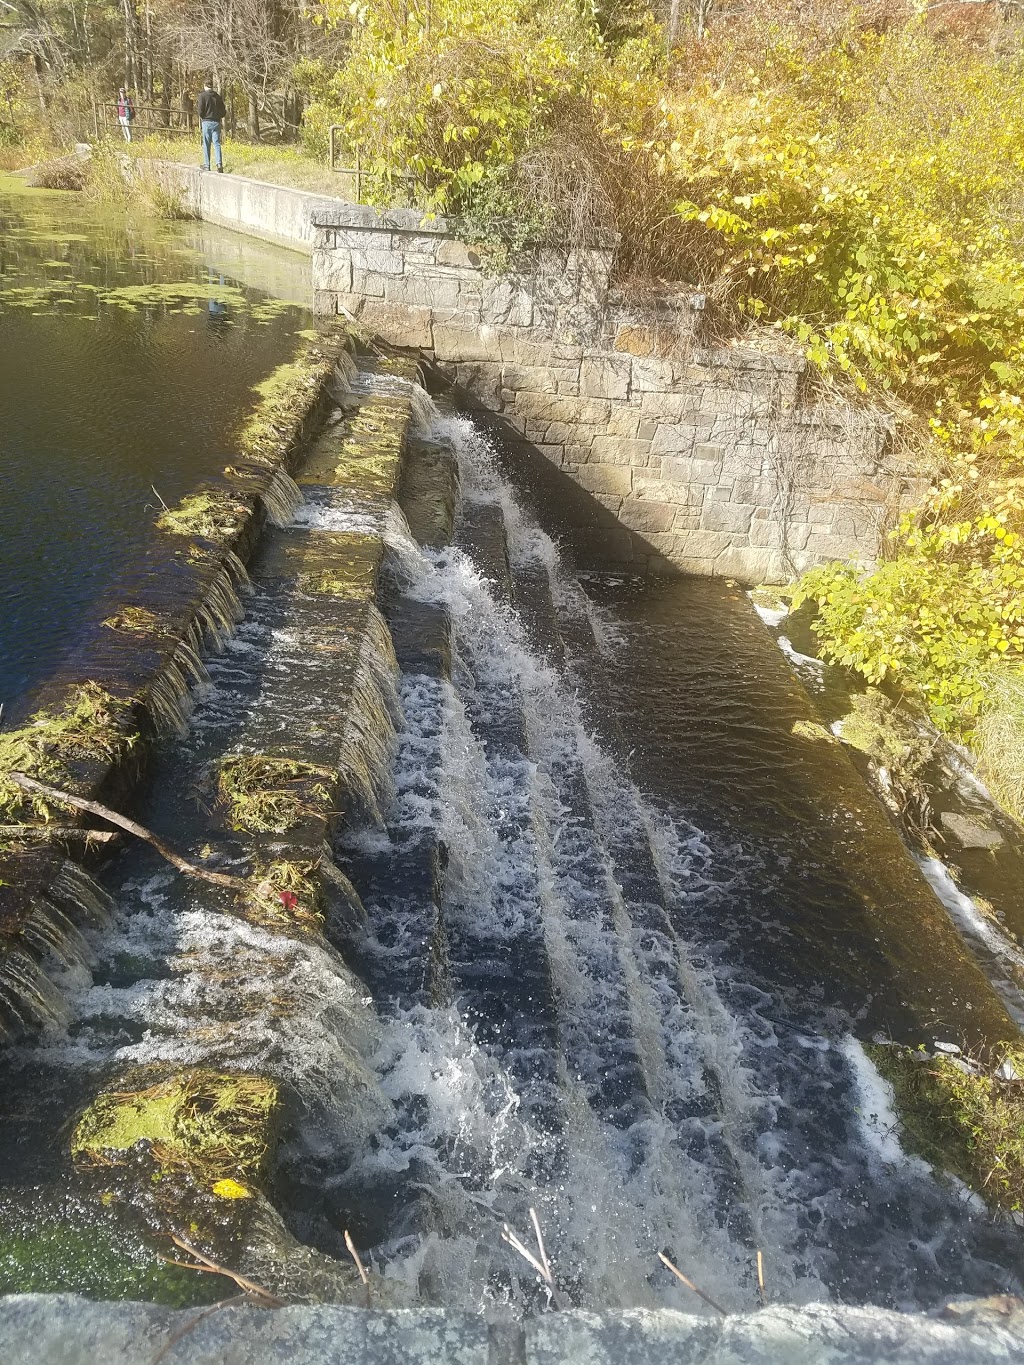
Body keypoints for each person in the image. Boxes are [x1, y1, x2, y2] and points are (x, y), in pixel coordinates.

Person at [197, 82, 226, 172]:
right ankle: (219, 164)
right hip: (216, 122)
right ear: (212, 86)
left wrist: (203, 116)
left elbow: (200, 111)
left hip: (206, 122)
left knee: (206, 144)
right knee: (217, 143)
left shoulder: (202, 96)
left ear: (204, 85)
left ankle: (207, 165)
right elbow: (223, 112)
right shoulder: (218, 97)